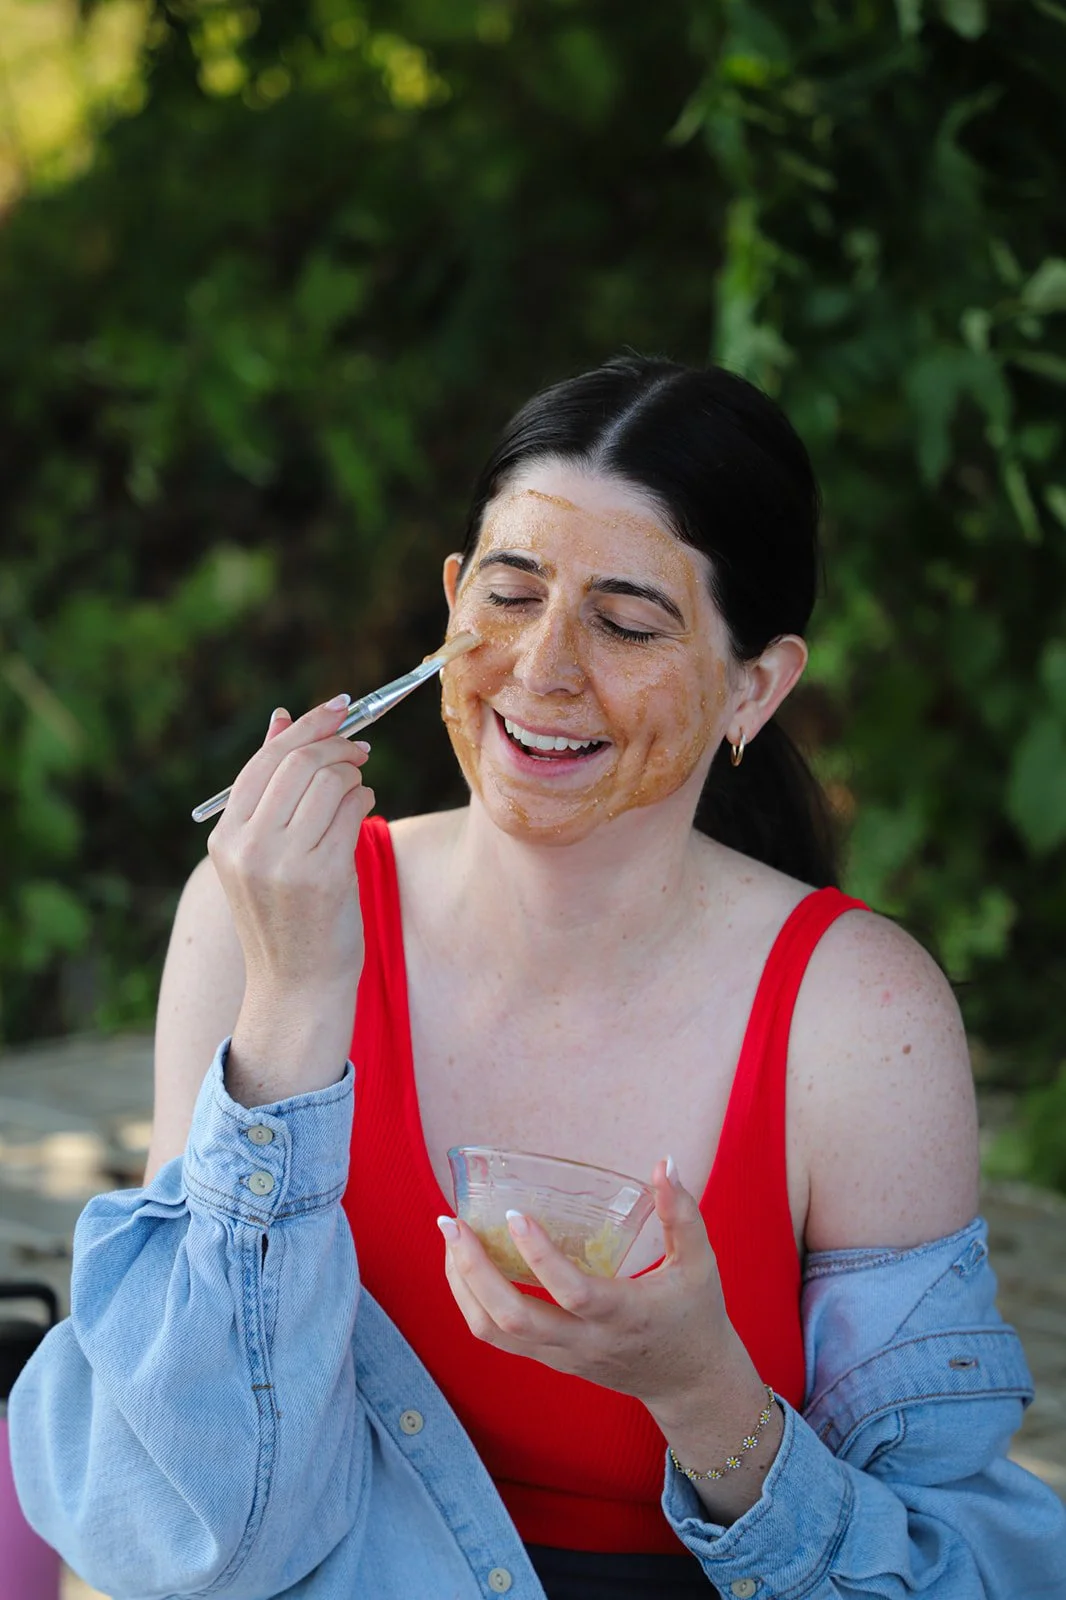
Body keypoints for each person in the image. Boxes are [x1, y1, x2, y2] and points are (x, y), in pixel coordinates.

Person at [10, 357, 1066, 1600]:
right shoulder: (265, 921)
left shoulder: (858, 1018)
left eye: (626, 624)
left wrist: (696, 1386)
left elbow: (953, 1573)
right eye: (511, 597)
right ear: (452, 602)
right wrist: (292, 1013)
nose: (543, 669)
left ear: (756, 685)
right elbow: (187, 1535)